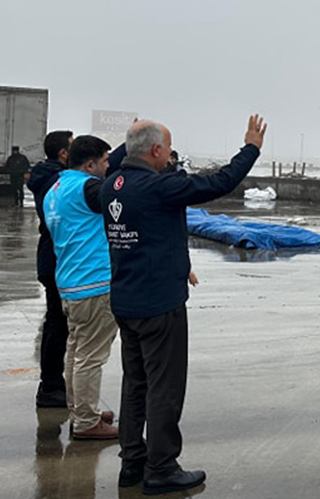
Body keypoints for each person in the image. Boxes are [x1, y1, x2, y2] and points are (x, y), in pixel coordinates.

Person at [102, 115, 266, 494]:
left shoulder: (112, 186)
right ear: (156, 150)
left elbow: (149, 234)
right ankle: (161, 468)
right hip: (159, 305)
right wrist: (251, 148)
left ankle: (132, 463)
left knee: (135, 384)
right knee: (165, 387)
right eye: (168, 148)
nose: (171, 155)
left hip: (125, 302)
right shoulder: (161, 187)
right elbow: (220, 182)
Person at [44, 135, 118, 440]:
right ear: (90, 164)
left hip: (71, 283)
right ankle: (87, 423)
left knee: (76, 352)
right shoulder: (88, 188)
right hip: (94, 284)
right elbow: (121, 200)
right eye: (104, 162)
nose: (107, 166)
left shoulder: (57, 188)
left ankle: (81, 411)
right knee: (90, 356)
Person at [26, 131, 74, 408]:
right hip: (57, 258)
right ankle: (51, 387)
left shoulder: (45, 176)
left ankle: (53, 384)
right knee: (57, 326)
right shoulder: (55, 180)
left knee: (57, 324)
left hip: (51, 258)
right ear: (64, 154)